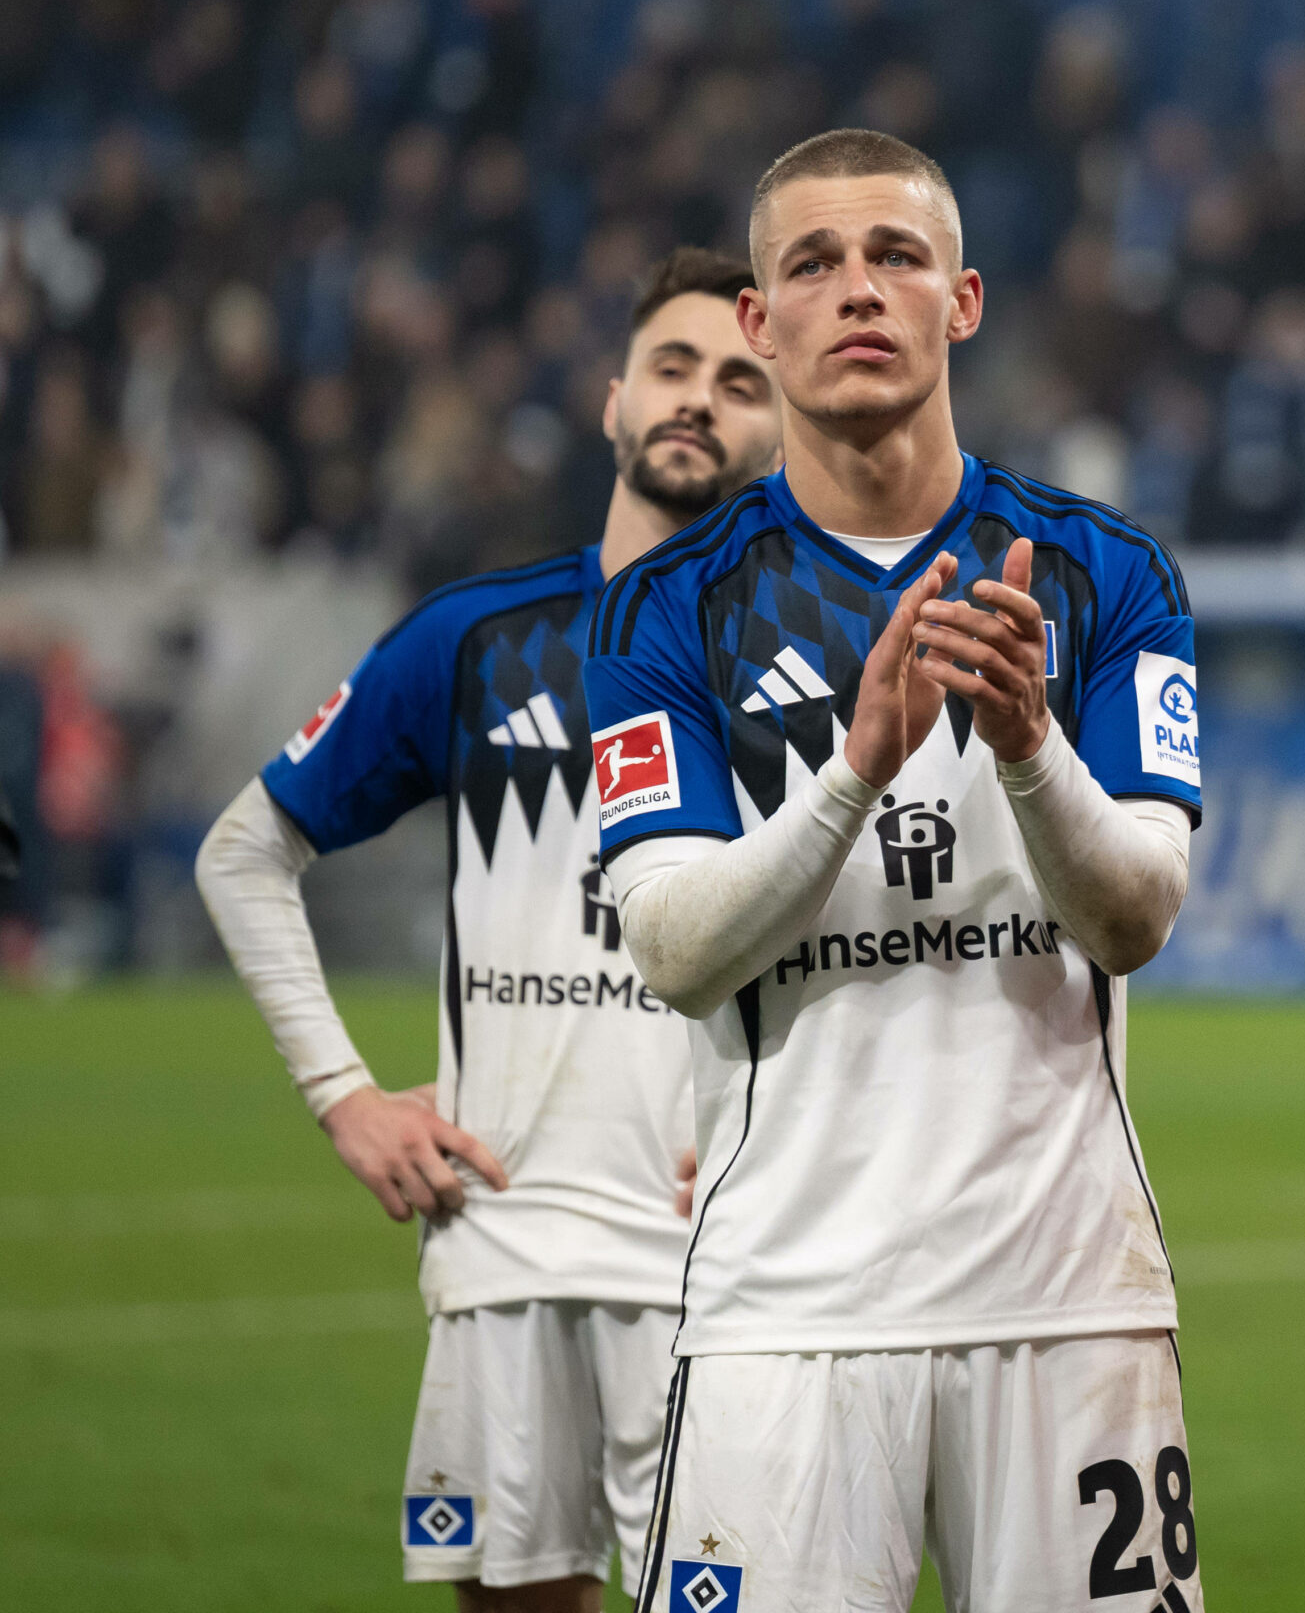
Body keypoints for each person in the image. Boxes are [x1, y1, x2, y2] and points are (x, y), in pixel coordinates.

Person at [583, 129, 1205, 1613]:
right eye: (813, 264)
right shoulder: (660, 612)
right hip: (782, 1316)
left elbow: (1137, 916)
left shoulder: (1106, 572)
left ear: (964, 302)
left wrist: (1029, 745)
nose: (858, 291)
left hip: (1069, 1305)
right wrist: (855, 768)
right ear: (760, 322)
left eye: (897, 258)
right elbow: (672, 949)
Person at [195, 249, 783, 1612]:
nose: (700, 401)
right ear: (613, 400)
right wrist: (344, 1096)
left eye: (743, 381)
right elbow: (245, 851)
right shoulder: (479, 640)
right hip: (503, 1241)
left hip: (735, 1261)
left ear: (784, 424)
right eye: (675, 368)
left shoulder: (815, 659)